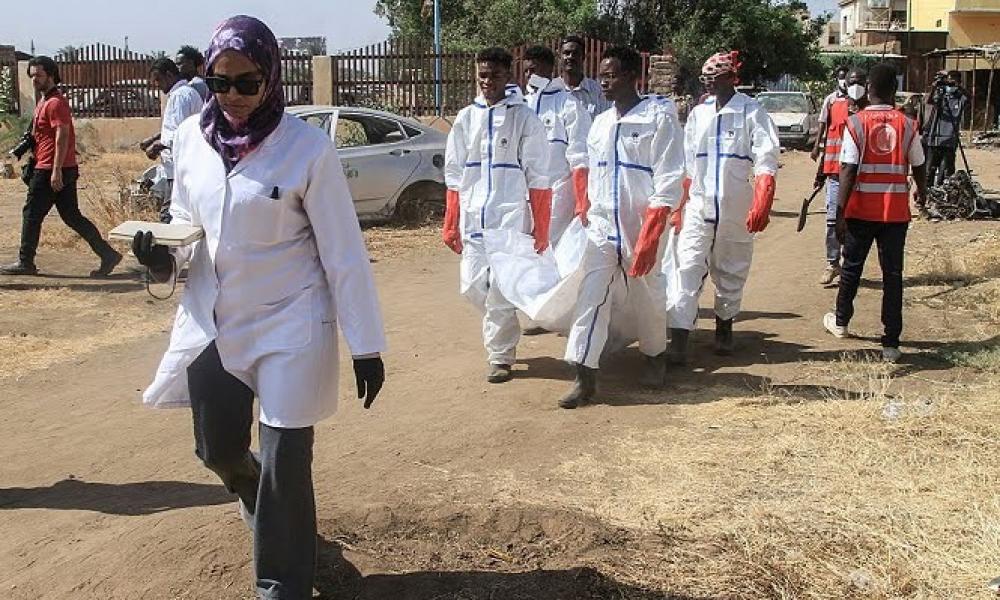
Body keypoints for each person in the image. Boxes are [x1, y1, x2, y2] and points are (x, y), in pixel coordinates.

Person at [132, 16, 386, 599]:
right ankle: (253, 492)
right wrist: (161, 257)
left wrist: (366, 345)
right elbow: (184, 223)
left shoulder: (307, 150)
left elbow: (344, 254)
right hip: (213, 321)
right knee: (217, 450)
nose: (234, 96)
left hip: (291, 322)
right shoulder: (191, 139)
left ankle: (281, 584)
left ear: (271, 77)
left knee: (286, 462)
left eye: (247, 83)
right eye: (220, 83)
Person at [558, 46, 686, 409]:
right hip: (603, 227)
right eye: (602, 76)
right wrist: (586, 210)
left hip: (641, 224)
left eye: (611, 75)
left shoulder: (658, 118)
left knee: (648, 293)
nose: (604, 82)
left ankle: (655, 356)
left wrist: (652, 230)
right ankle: (584, 375)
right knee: (591, 295)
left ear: (632, 77)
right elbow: (593, 175)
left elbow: (670, 177)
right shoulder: (600, 124)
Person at [442, 47, 551, 384]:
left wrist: (541, 226)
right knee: (473, 286)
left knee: (500, 290)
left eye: (495, 75)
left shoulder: (524, 118)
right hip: (474, 215)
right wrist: (451, 221)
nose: (488, 81)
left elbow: (539, 175)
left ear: (508, 76)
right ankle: (503, 321)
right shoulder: (466, 118)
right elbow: (454, 173)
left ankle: (500, 357)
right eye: (483, 75)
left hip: (510, 216)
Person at [668, 51, 779, 363]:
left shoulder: (751, 111)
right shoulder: (698, 115)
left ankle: (724, 327)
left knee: (731, 268)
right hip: (699, 205)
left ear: (732, 78)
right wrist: (679, 205)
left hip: (734, 206)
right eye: (706, 79)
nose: (709, 84)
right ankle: (679, 337)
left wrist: (763, 196)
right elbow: (687, 165)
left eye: (715, 78)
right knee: (687, 265)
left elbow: (766, 157)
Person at [824, 63, 927, 364]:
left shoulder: (856, 123)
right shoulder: (908, 124)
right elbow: (919, 163)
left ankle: (841, 322)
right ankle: (891, 343)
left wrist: (840, 213)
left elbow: (847, 169)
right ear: (894, 90)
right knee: (892, 275)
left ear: (869, 89)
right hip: (895, 212)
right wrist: (921, 190)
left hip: (860, 211)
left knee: (851, 268)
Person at [1, 57, 122, 277]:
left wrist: (56, 170)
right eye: (32, 75)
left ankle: (25, 262)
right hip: (55, 167)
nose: (34, 79)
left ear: (51, 75)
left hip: (51, 168)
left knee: (31, 213)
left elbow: (62, 135)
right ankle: (108, 254)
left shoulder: (55, 103)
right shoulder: (44, 101)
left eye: (39, 75)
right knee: (71, 216)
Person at [522, 45, 592, 245]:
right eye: (526, 71)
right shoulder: (520, 106)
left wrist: (581, 201)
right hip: (521, 196)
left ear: (549, 70)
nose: (530, 76)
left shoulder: (567, 105)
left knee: (551, 249)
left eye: (534, 70)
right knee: (522, 250)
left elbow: (580, 156)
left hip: (557, 195)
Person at [813, 67, 868, 286]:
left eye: (859, 81)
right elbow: (830, 139)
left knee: (858, 224)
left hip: (863, 176)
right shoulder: (834, 103)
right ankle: (832, 263)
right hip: (835, 173)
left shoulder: (870, 110)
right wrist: (821, 171)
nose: (853, 85)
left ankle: (850, 266)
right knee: (833, 220)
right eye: (850, 81)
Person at [139, 58, 204, 222]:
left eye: (158, 80)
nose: (157, 85)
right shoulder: (187, 93)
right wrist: (153, 138)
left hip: (178, 167)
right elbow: (176, 128)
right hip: (182, 166)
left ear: (169, 75)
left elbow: (180, 134)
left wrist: (156, 147)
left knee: (169, 215)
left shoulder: (179, 97)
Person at [923, 70, 968, 188]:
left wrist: (958, 86)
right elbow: (929, 101)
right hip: (935, 139)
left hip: (949, 141)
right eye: (948, 81)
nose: (950, 84)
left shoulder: (960, 98)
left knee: (945, 174)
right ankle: (927, 194)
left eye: (953, 81)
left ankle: (942, 195)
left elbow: (969, 97)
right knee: (929, 171)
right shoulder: (941, 95)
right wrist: (935, 87)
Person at [555, 35, 612, 119]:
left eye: (575, 53)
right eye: (566, 53)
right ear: (559, 57)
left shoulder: (599, 92)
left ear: (583, 57)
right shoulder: (551, 90)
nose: (570, 57)